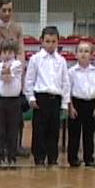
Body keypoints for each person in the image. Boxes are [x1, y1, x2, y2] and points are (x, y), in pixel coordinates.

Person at [0, 0, 27, 157]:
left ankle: (15, 147)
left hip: (15, 74)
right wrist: (5, 64)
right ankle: (0, 149)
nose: (7, 13)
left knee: (17, 118)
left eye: (10, 10)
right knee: (0, 120)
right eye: (4, 10)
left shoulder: (17, 27)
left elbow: (21, 49)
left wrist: (18, 66)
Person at [25, 25, 70, 167]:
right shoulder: (35, 59)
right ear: (41, 41)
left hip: (55, 99)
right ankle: (39, 157)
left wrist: (65, 103)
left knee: (54, 130)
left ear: (58, 42)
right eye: (48, 41)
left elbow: (65, 82)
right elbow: (29, 80)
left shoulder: (61, 60)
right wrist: (31, 98)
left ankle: (52, 158)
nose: (50, 44)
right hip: (41, 98)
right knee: (39, 129)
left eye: (53, 41)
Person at [67, 41, 95, 168]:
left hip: (90, 104)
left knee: (89, 134)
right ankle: (73, 158)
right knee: (74, 134)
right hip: (76, 103)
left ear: (92, 55)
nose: (83, 54)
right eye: (80, 51)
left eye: (86, 51)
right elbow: (68, 91)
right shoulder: (71, 72)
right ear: (76, 54)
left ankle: (89, 158)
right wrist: (70, 107)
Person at [0, 39, 23, 169]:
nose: (7, 55)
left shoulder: (18, 64)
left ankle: (12, 158)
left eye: (10, 52)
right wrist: (6, 70)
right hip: (0, 101)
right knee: (0, 131)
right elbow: (5, 76)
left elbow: (8, 76)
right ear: (0, 53)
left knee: (13, 131)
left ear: (14, 53)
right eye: (4, 52)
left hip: (14, 101)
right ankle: (0, 158)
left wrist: (7, 70)